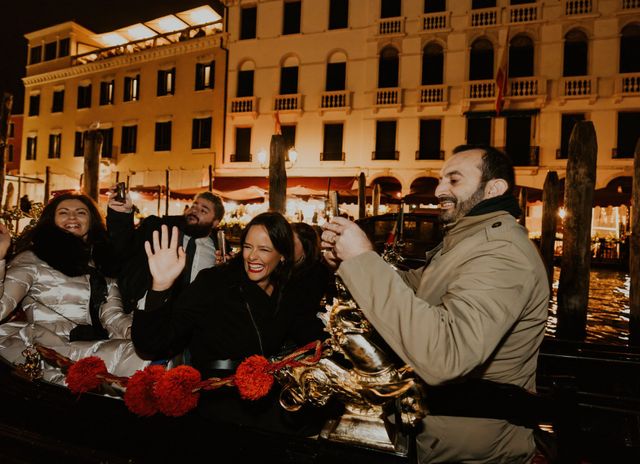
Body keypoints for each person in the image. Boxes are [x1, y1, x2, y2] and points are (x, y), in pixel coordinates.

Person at [321, 145, 550, 463]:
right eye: (441, 179)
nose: (440, 189)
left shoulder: (502, 253)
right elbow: (413, 290)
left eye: (454, 180)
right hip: (437, 433)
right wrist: (350, 264)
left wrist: (362, 260)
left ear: (494, 188)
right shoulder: (464, 243)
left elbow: (447, 355)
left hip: (474, 451)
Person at [131, 212, 330, 435]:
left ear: (282, 255)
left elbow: (313, 337)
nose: (253, 256)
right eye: (248, 246)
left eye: (264, 249)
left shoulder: (287, 293)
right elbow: (152, 341)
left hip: (266, 397)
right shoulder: (215, 282)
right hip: (218, 399)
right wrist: (160, 287)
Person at [0, 192, 147, 385]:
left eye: (81, 212)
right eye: (63, 212)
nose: (72, 217)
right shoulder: (32, 258)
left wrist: (145, 336)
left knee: (146, 355)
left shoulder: (102, 264)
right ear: (51, 221)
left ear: (91, 221)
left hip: (90, 346)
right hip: (44, 347)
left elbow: (112, 317)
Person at [107, 190, 227, 314]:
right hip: (151, 310)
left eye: (203, 210)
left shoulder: (219, 249)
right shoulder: (158, 229)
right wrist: (121, 215)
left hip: (196, 318)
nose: (194, 210)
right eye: (194, 205)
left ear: (215, 222)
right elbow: (123, 246)